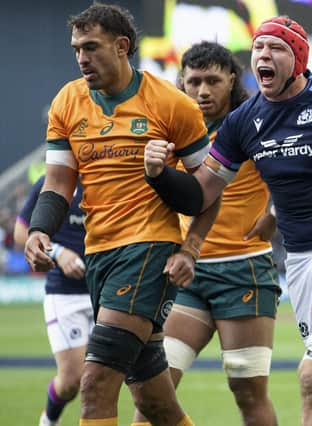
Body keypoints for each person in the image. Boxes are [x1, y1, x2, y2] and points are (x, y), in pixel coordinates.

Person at [144, 15, 312, 426]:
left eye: (277, 48)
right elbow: (201, 195)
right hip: (300, 266)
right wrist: (160, 175)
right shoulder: (243, 121)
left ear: (298, 58)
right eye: (258, 49)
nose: (264, 55)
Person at [22, 4, 212, 425]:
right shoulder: (67, 102)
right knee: (155, 402)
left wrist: (191, 249)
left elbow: (209, 191)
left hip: (148, 251)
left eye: (91, 47)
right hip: (100, 255)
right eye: (76, 49)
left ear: (122, 46)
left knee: (95, 383)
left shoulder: (171, 103)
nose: (81, 58)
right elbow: (57, 184)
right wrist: (39, 230)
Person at [132, 41, 280, 426]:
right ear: (181, 82)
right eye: (194, 81)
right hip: (186, 274)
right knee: (153, 394)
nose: (203, 91)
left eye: (213, 80)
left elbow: (296, 175)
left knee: (248, 394)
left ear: (232, 79)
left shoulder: (253, 123)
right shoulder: (172, 127)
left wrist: (276, 213)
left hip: (244, 271)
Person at [14, 178, 91, 426]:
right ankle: (49, 420)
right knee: (71, 381)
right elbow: (20, 233)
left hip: (109, 291)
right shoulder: (55, 178)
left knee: (106, 379)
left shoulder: (112, 170)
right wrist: (57, 253)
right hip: (65, 294)